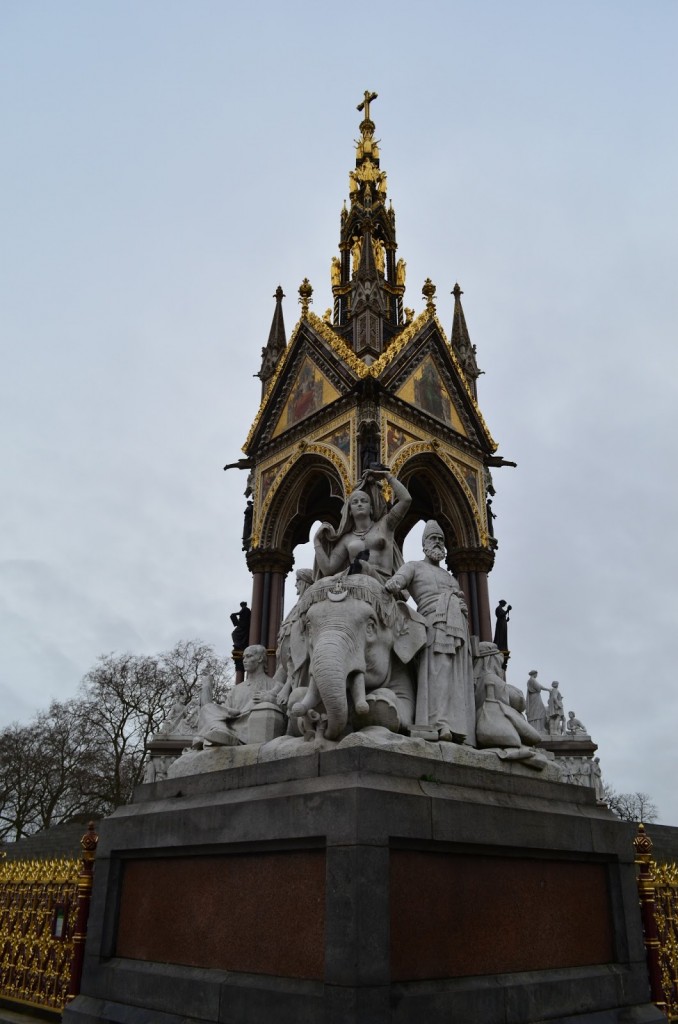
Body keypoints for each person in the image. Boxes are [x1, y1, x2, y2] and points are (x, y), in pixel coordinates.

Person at [385, 520, 475, 743]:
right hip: (433, 623)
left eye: (441, 540)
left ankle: (457, 726)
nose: (438, 543)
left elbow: (461, 599)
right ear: (424, 543)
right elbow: (397, 582)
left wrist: (461, 608)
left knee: (456, 676)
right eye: (433, 539)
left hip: (457, 626)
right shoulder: (414, 566)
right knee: (438, 672)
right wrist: (391, 585)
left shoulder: (451, 578)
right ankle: (438, 723)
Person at [313, 468, 411, 582]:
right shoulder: (346, 539)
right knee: (322, 583)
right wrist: (317, 542)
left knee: (362, 567)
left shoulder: (385, 524)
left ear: (371, 509)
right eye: (355, 502)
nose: (359, 504)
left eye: (364, 501)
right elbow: (328, 569)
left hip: (382, 582)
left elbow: (406, 500)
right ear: (350, 511)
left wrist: (386, 476)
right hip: (356, 583)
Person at [193, 646, 277, 748]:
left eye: (249, 656)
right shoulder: (236, 689)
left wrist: (272, 700)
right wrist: (230, 711)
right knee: (207, 708)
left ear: (260, 658)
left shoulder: (274, 685)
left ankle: (220, 734)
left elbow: (284, 708)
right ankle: (221, 732)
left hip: (251, 727)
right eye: (243, 657)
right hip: (232, 724)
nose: (244, 660)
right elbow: (224, 711)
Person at [273, 568, 313, 707]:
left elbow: (300, 650)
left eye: (298, 581)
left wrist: (286, 687)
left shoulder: (308, 604)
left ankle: (287, 689)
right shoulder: (298, 605)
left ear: (305, 583)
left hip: (298, 661)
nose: (295, 584)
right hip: (285, 662)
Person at [525, 670, 550, 735]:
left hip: (533, 697)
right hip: (535, 697)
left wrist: (547, 689)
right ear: (534, 674)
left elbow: (540, 686)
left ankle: (538, 727)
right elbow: (539, 687)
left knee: (535, 712)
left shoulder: (530, 680)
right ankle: (539, 728)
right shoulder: (532, 680)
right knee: (540, 711)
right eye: (536, 674)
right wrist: (547, 689)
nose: (537, 675)